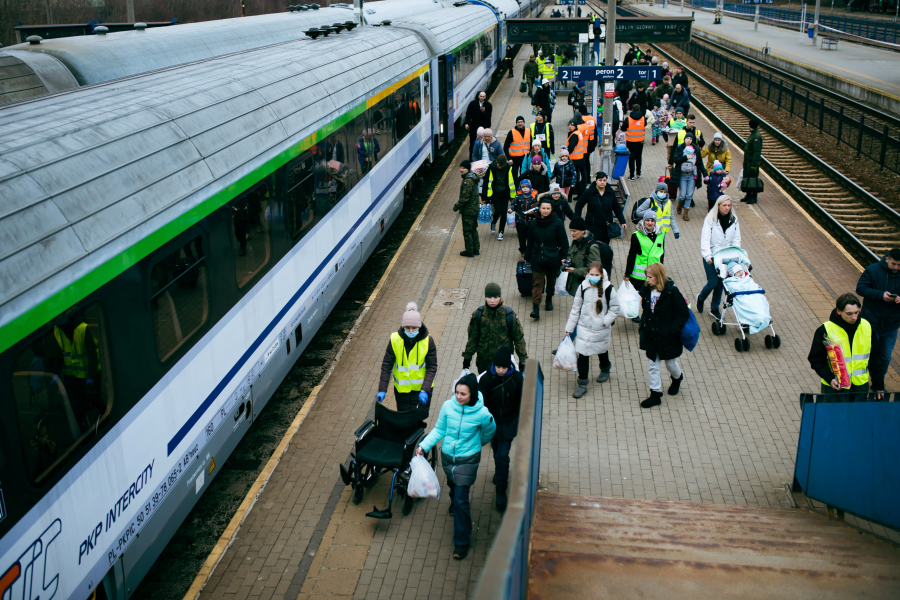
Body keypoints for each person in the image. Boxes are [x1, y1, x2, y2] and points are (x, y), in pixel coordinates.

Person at [415, 374, 495, 560]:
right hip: (448, 458)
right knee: (453, 487)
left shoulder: (483, 414)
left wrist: (478, 443)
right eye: (457, 392)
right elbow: (440, 430)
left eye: (463, 394)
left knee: (461, 499)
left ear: (472, 394)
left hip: (468, 459)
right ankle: (453, 501)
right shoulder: (447, 407)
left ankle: (461, 542)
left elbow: (489, 431)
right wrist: (424, 446)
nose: (458, 397)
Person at [479, 346, 524, 511]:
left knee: (503, 455)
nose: (500, 370)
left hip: (509, 423)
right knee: (497, 450)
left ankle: (501, 490)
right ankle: (500, 472)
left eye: (504, 367)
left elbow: (522, 401)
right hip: (492, 424)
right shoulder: (486, 380)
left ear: (509, 366)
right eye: (498, 367)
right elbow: (482, 404)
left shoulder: (517, 379)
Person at [638, 263, 688, 409]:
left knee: (670, 364)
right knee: (653, 366)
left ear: (658, 278)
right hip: (652, 334)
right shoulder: (647, 289)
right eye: (646, 277)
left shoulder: (672, 292)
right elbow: (646, 308)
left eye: (650, 277)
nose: (647, 280)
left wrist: (672, 329)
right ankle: (655, 394)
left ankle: (677, 378)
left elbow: (683, 313)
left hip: (667, 336)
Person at [567, 262, 620, 398]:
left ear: (601, 275)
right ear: (587, 274)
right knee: (583, 354)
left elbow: (615, 308)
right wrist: (569, 328)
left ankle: (605, 367)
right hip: (584, 327)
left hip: (600, 328)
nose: (594, 277)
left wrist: (605, 322)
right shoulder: (583, 287)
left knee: (601, 350)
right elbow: (575, 309)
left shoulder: (608, 289)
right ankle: (582, 383)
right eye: (592, 274)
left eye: (597, 275)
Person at [808, 294, 873, 399]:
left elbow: (876, 358)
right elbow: (816, 359)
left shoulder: (866, 326)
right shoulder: (825, 330)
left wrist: (878, 385)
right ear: (838, 311)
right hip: (834, 388)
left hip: (860, 387)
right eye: (849, 313)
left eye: (857, 312)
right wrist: (830, 379)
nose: (854, 317)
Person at [377, 302, 437, 413]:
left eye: (414, 328)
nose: (410, 331)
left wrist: (425, 389)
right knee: (404, 419)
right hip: (402, 391)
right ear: (403, 326)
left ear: (419, 326)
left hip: (421, 390)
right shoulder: (395, 339)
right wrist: (382, 389)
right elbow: (387, 365)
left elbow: (432, 367)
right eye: (407, 327)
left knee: (418, 420)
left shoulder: (428, 341)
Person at [856, 248, 900, 397]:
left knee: (885, 356)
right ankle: (863, 381)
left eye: (899, 265)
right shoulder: (873, 270)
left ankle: (877, 383)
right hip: (871, 322)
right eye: (894, 264)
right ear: (887, 259)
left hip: (891, 324)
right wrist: (881, 295)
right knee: (869, 354)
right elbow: (861, 288)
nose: (896, 268)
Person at [463, 283, 528, 375]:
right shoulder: (478, 314)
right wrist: (467, 360)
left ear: (500, 297)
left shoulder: (509, 315)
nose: (492, 301)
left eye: (495, 297)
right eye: (489, 297)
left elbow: (518, 339)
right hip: (484, 363)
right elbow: (473, 339)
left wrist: (523, 361)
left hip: (504, 364)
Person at [53, 312, 101, 431]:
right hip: (71, 376)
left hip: (89, 375)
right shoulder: (57, 330)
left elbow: (92, 355)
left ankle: (103, 422)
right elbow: (58, 356)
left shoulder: (82, 328)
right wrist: (55, 374)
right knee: (77, 406)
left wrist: (91, 376)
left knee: (95, 401)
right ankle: (85, 429)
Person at [697, 195, 741, 320]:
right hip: (712, 255)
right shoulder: (710, 220)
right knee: (713, 282)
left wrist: (736, 253)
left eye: (729, 206)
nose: (727, 208)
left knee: (721, 283)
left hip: (725, 256)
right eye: (724, 206)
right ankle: (700, 298)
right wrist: (707, 256)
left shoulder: (734, 220)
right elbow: (705, 240)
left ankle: (714, 308)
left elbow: (736, 239)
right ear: (718, 206)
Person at [525, 199, 569, 320]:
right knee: (537, 283)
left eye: (548, 208)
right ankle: (536, 307)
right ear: (539, 209)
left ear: (551, 209)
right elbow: (530, 241)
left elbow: (564, 242)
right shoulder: (534, 222)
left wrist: (565, 258)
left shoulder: (558, 223)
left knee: (551, 282)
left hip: (553, 257)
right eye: (543, 208)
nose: (545, 211)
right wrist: (527, 257)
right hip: (537, 257)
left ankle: (549, 298)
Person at [575, 171, 627, 245]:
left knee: (604, 250)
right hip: (592, 227)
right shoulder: (589, 192)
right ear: (596, 181)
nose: (602, 182)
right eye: (600, 180)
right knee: (592, 249)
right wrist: (577, 220)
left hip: (605, 227)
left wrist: (622, 221)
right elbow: (579, 205)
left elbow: (616, 207)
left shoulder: (610, 192)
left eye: (604, 180)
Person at [625, 210, 666, 298]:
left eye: (652, 220)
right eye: (647, 220)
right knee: (637, 300)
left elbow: (662, 254)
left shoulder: (661, 234)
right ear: (643, 221)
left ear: (655, 222)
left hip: (655, 275)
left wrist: (661, 272)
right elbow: (631, 255)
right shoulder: (636, 235)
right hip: (638, 278)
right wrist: (627, 273)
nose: (650, 223)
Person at [565, 217, 612, 293]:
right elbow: (570, 255)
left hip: (588, 286)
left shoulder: (591, 247)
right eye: (571, 231)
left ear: (583, 231)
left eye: (574, 231)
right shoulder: (575, 241)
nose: (571, 234)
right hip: (577, 285)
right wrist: (568, 261)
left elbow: (595, 269)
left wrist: (575, 271)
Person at [672, 133, 707, 221]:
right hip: (682, 175)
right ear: (684, 139)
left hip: (692, 175)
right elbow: (675, 160)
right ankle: (679, 204)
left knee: (689, 195)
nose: (689, 140)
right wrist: (685, 157)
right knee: (682, 195)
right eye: (687, 138)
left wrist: (705, 174)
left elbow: (700, 163)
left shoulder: (696, 149)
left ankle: (686, 213)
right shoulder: (680, 148)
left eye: (690, 139)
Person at [454, 160, 480, 257]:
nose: (461, 170)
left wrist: (456, 206)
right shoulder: (472, 177)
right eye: (460, 168)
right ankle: (476, 249)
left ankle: (469, 251)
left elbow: (465, 197)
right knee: (473, 229)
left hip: (468, 210)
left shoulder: (467, 181)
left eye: (464, 168)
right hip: (474, 209)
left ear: (468, 169)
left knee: (467, 231)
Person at [471, 128, 504, 203]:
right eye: (485, 136)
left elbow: (501, 155)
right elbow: (474, 155)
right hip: (482, 168)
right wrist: (477, 164)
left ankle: (492, 198)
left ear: (491, 136)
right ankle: (484, 198)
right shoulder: (479, 143)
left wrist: (497, 164)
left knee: (493, 182)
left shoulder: (497, 143)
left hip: (493, 167)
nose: (486, 138)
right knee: (484, 183)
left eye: (488, 136)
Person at [487, 154, 515, 240]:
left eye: (501, 166)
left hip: (505, 194)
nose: (499, 167)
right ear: (497, 162)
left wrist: (512, 196)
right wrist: (485, 197)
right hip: (495, 193)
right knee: (498, 211)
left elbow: (512, 181)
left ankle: (501, 232)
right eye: (498, 165)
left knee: (504, 213)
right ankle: (493, 222)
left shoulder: (508, 168)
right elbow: (486, 182)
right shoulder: (491, 167)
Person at [510, 179, 538, 259]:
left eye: (527, 187)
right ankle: (522, 252)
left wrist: (534, 211)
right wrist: (511, 209)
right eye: (523, 187)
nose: (525, 189)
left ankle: (529, 252)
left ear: (530, 187)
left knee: (531, 238)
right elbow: (513, 205)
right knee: (521, 238)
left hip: (531, 221)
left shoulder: (534, 196)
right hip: (520, 221)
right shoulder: (518, 196)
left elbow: (538, 207)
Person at [741, 119, 764, 204]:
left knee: (753, 179)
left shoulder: (756, 136)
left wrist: (754, 164)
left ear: (750, 125)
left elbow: (757, 152)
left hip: (752, 162)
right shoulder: (753, 134)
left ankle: (754, 197)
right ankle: (748, 195)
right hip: (747, 160)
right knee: (747, 177)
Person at [503, 116, 532, 184]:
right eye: (518, 122)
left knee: (525, 176)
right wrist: (509, 158)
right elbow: (505, 146)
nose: (520, 123)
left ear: (524, 123)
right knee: (514, 177)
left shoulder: (528, 131)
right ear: (516, 123)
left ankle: (524, 190)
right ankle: (515, 191)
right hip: (514, 159)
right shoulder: (511, 132)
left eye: (521, 122)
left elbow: (531, 145)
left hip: (525, 158)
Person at [624, 101, 647, 181]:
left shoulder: (628, 119)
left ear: (632, 110)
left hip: (630, 141)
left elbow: (623, 128)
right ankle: (638, 173)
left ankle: (632, 175)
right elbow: (645, 125)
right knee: (638, 157)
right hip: (640, 141)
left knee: (631, 158)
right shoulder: (643, 118)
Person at [465, 91, 492, 156]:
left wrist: (484, 111)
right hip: (474, 126)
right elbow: (468, 114)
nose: (482, 98)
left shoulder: (488, 105)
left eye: (483, 96)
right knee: (472, 142)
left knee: (484, 141)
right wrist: (467, 123)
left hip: (484, 126)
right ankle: (471, 156)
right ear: (478, 96)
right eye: (480, 96)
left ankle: (483, 155)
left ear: (485, 97)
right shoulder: (472, 104)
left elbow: (489, 116)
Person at [565, 121, 588, 193]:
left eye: (571, 125)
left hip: (575, 159)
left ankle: (578, 191)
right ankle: (580, 191)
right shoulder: (578, 132)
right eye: (569, 125)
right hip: (579, 157)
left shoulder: (574, 135)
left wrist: (565, 154)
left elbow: (571, 147)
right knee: (577, 175)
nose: (570, 126)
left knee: (575, 176)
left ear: (575, 126)